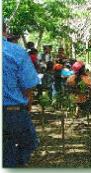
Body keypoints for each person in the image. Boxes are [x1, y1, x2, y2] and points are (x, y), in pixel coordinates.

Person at [3, 22, 40, 167]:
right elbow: (28, 85)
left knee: (7, 147)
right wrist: (27, 104)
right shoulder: (16, 52)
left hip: (12, 111)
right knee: (30, 142)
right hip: (12, 111)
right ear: (5, 31)